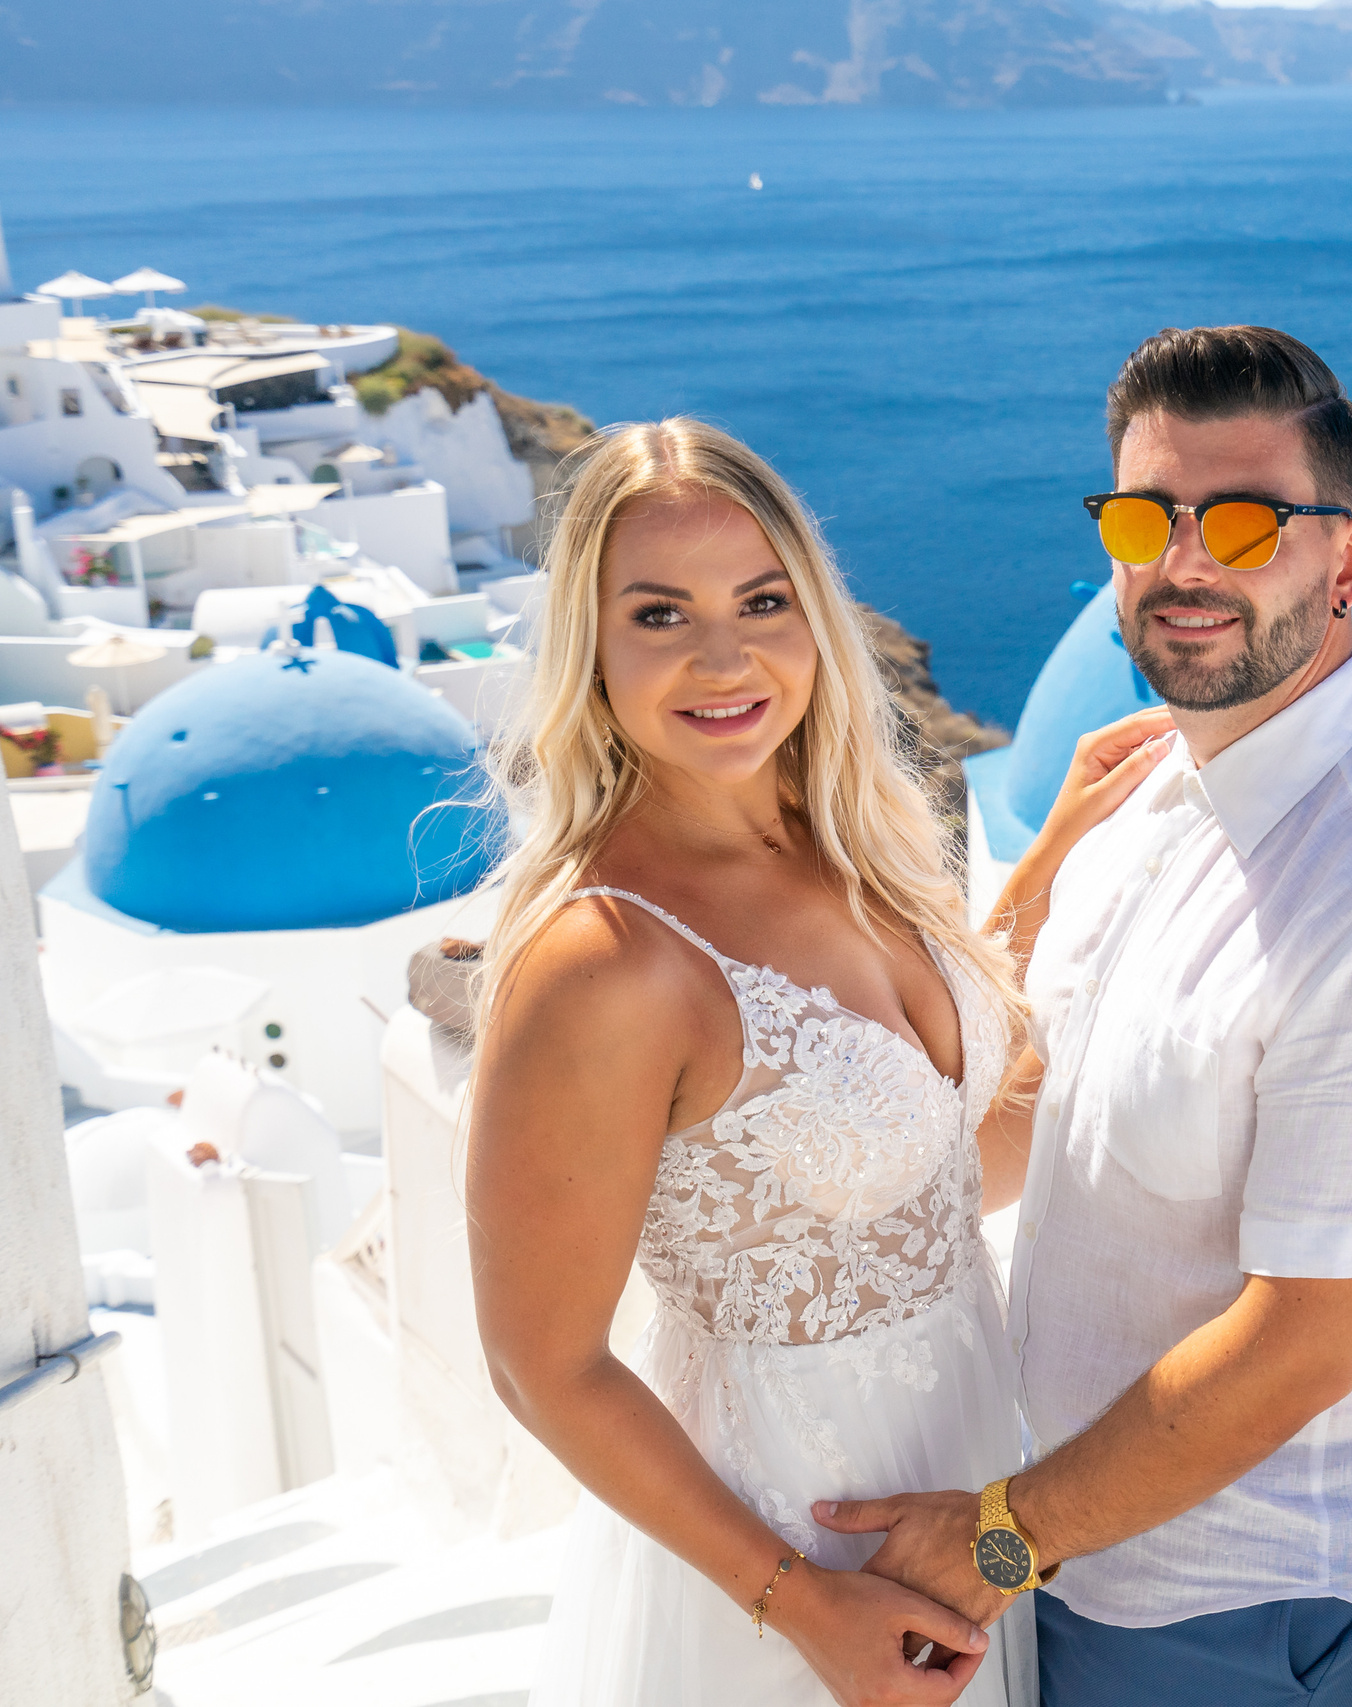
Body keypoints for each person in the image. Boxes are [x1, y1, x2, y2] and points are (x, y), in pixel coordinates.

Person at [815, 327, 1352, 1707]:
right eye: (1145, 519)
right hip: (1069, 1541)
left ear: (1350, 562)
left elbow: (1299, 1349)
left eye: (1246, 523)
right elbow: (1044, 1116)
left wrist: (996, 1538)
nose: (1186, 562)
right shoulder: (1154, 789)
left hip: (1231, 1604)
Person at [466, 418, 1170, 1706]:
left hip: (964, 1495)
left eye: (762, 601)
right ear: (591, 648)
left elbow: (940, 1162)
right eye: (661, 615)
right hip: (782, 1552)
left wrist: (1055, 857)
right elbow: (542, 1366)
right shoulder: (607, 959)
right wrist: (802, 1606)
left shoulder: (848, 845)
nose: (724, 658)